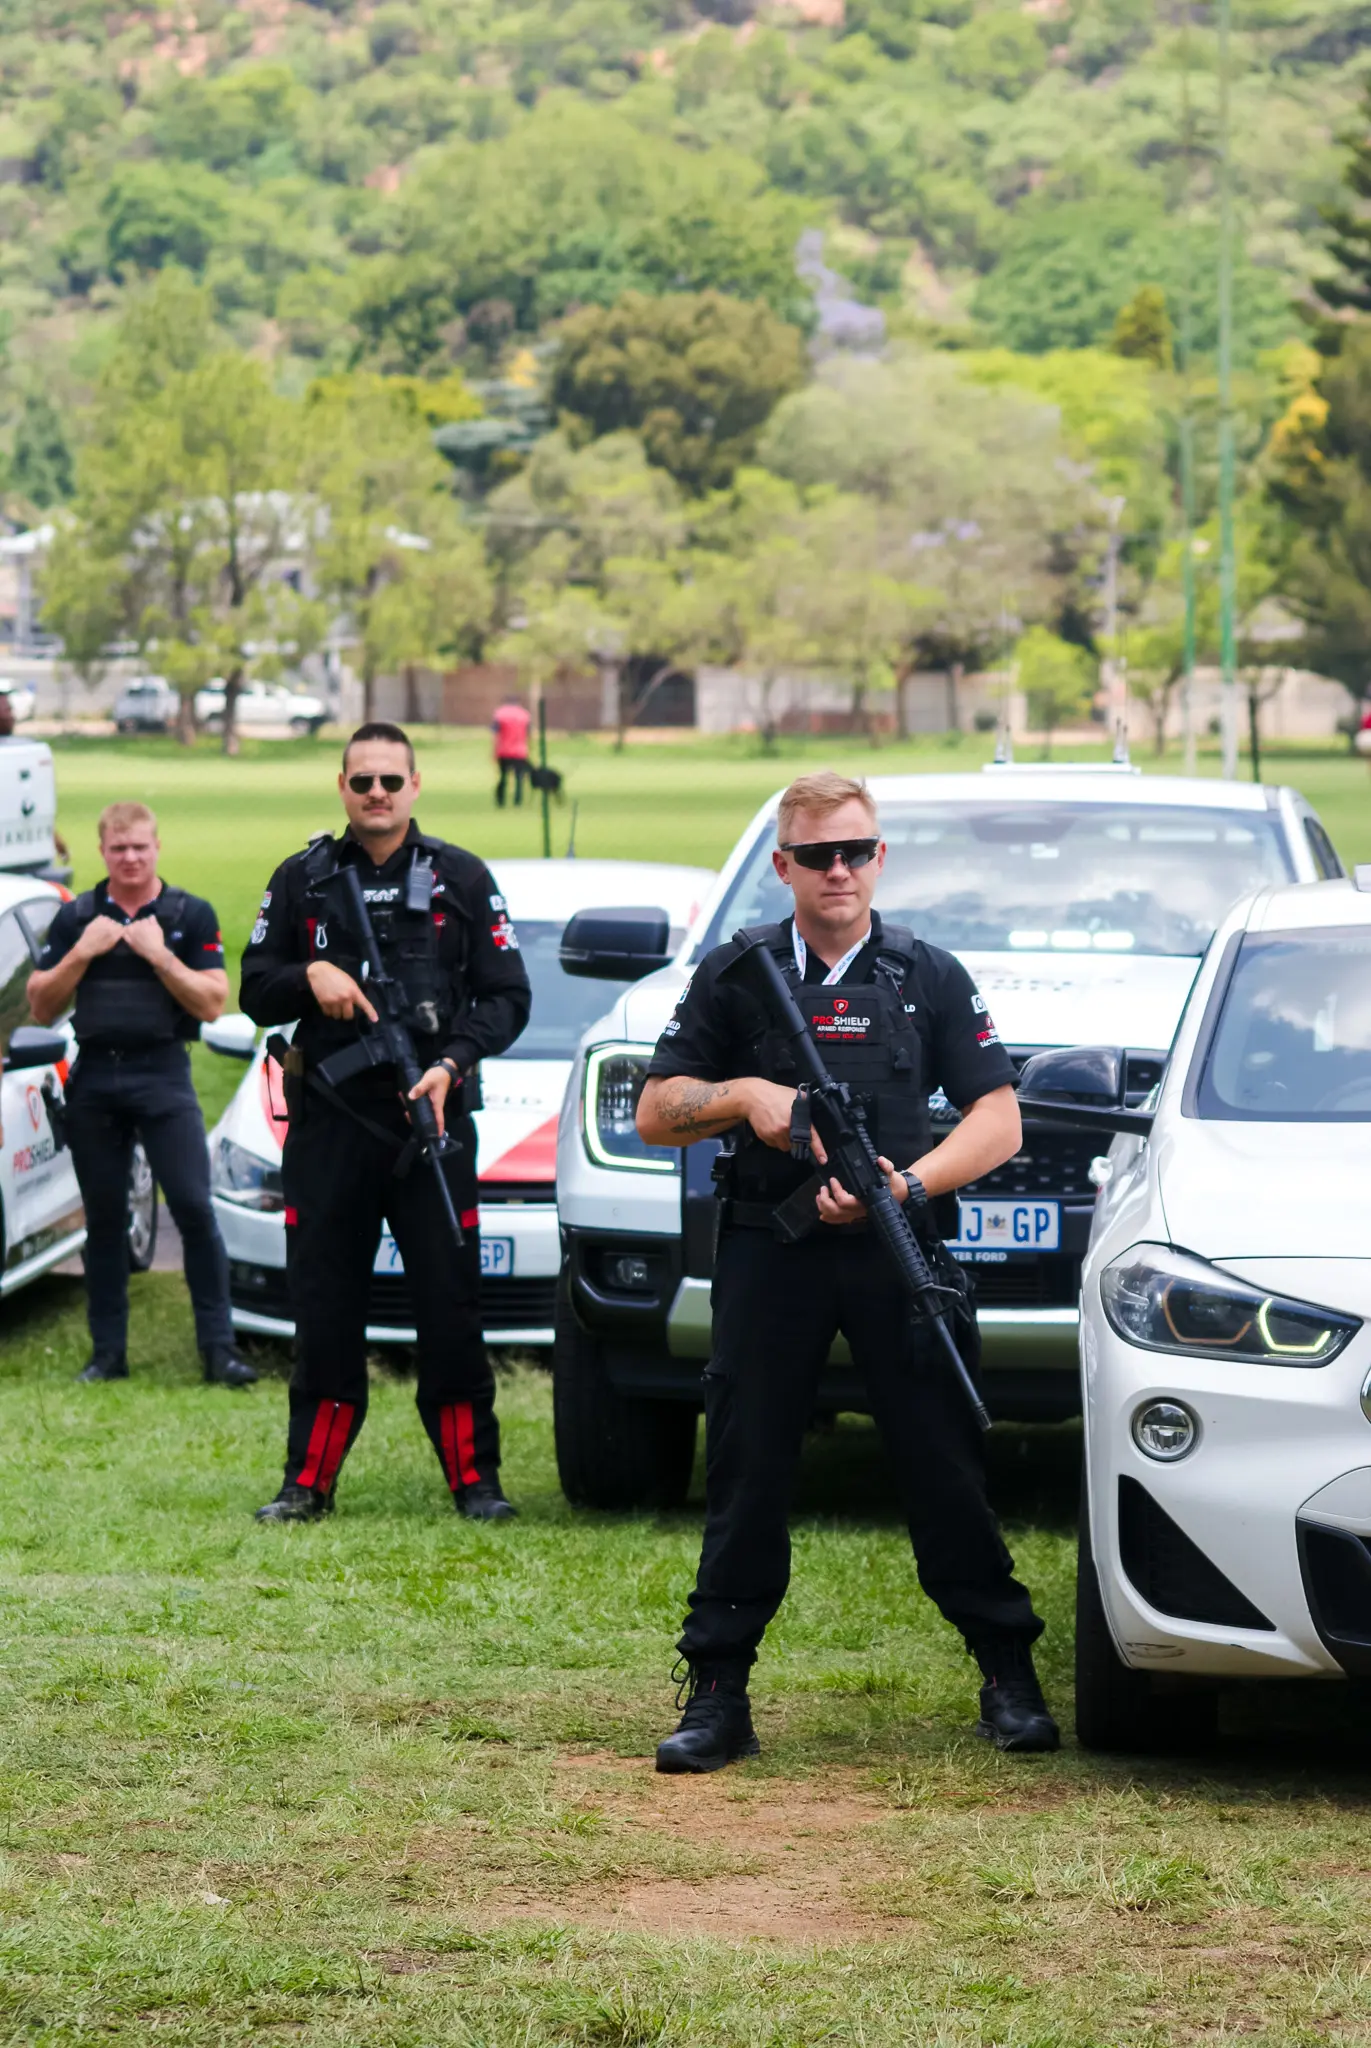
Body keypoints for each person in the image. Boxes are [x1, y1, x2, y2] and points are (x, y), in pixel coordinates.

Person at [636, 770, 1058, 1771]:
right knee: (747, 1464)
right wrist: (744, 1095)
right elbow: (657, 1110)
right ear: (782, 865)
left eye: (856, 850)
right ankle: (717, 1691)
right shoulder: (736, 976)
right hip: (767, 1251)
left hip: (896, 1249)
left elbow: (999, 1119)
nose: (839, 870)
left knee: (943, 1462)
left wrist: (904, 1186)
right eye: (818, 854)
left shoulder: (928, 975)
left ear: (880, 857)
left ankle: (1008, 1672)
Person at [241, 720, 532, 1523]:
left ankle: (476, 1483)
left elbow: (509, 997)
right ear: (342, 787)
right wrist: (313, 974)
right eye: (361, 781)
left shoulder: (462, 879)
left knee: (451, 1306)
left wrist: (450, 1064)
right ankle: (308, 1483)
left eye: (390, 782)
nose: (376, 794)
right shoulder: (301, 879)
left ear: (414, 787)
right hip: (331, 1125)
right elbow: (256, 987)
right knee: (325, 1307)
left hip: (430, 1122)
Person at [26, 802, 255, 1388]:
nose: (130, 858)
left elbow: (210, 1003)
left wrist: (157, 954)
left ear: (157, 848)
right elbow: (41, 1005)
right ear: (102, 851)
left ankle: (219, 1350)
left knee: (194, 1210)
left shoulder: (190, 915)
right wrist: (83, 952)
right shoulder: (76, 917)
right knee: (103, 1221)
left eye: (140, 847)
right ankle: (107, 1355)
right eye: (118, 848)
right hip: (96, 1076)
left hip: (164, 1074)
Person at [491, 694, 531, 808]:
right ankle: (517, 801)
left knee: (503, 777)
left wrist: (494, 751)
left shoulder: (500, 714)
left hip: (504, 751)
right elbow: (528, 734)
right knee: (519, 778)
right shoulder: (524, 715)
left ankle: (501, 800)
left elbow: (495, 734)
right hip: (520, 751)